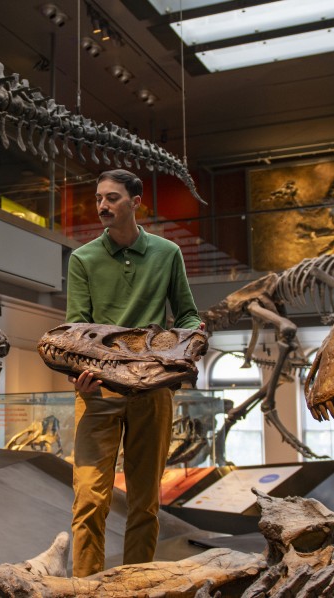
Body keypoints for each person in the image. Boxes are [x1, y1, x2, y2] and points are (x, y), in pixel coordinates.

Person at [65, 168, 202, 577]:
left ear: (135, 202)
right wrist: (78, 372)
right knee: (89, 499)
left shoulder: (167, 253)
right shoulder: (83, 258)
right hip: (97, 393)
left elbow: (187, 314)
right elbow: (77, 327)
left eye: (112, 198)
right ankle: (86, 588)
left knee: (145, 503)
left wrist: (190, 342)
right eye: (99, 198)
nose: (102, 205)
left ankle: (135, 586)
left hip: (153, 393)